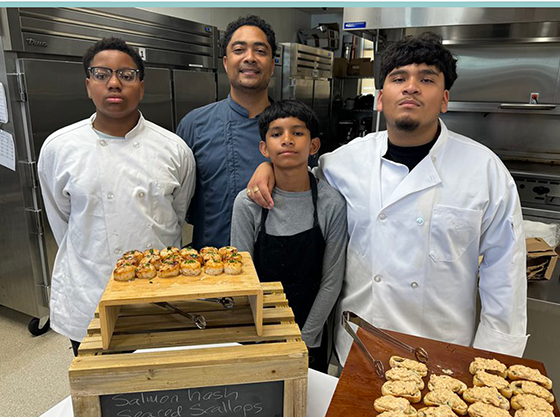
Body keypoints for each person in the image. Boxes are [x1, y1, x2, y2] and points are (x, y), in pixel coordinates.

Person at [245, 33, 527, 362]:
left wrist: (495, 361)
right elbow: (296, 180)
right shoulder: (343, 163)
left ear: (445, 99)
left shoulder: (484, 171)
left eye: (426, 79)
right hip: (357, 347)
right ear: (380, 98)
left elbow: (504, 273)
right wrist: (267, 167)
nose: (411, 87)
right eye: (399, 78)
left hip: (442, 353)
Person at [38, 37, 195, 354]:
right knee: (100, 388)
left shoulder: (174, 149)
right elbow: (63, 221)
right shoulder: (59, 148)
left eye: (126, 75)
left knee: (159, 386)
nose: (114, 83)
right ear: (87, 85)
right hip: (90, 290)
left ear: (141, 85)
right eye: (101, 74)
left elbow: (177, 216)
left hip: (159, 292)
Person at [231, 100, 347, 371]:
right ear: (264, 148)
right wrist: (259, 337)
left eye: (297, 132)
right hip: (259, 334)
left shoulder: (331, 203)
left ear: (314, 146)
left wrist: (303, 340)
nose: (287, 140)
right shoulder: (248, 204)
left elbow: (331, 281)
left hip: (311, 336)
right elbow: (242, 280)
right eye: (276, 133)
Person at [176, 15, 277, 249]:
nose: (249, 58)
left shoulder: (294, 128)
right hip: (211, 263)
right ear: (225, 62)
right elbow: (180, 203)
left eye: (260, 51)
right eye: (239, 49)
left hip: (279, 268)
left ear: (272, 65)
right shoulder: (194, 125)